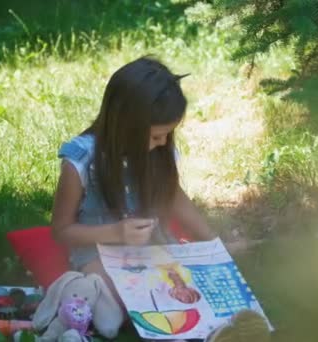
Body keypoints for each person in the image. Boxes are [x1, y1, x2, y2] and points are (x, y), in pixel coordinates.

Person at [51, 56, 269, 341]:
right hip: (100, 254)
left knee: (185, 288)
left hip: (156, 248)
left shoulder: (160, 155)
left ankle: (224, 330)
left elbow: (175, 198)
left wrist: (213, 245)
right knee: (130, 296)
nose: (163, 143)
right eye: (156, 136)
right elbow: (61, 231)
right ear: (124, 126)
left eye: (168, 134)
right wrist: (115, 232)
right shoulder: (82, 161)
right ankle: (201, 332)